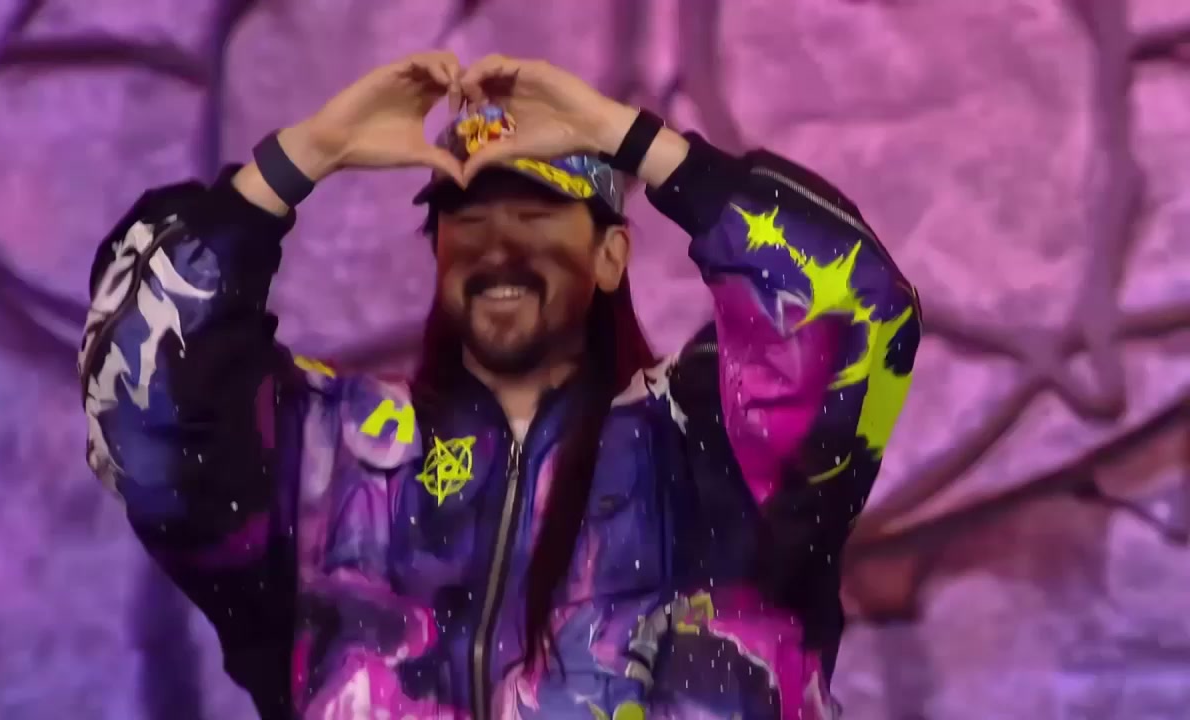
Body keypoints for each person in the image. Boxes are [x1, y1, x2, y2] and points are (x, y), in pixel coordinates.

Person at [78, 50, 921, 720]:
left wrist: (633, 140)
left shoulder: (712, 449)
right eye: (467, 218)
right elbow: (145, 413)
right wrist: (302, 158)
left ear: (610, 256)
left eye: (536, 215)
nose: (498, 245)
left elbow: (858, 311)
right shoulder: (331, 462)